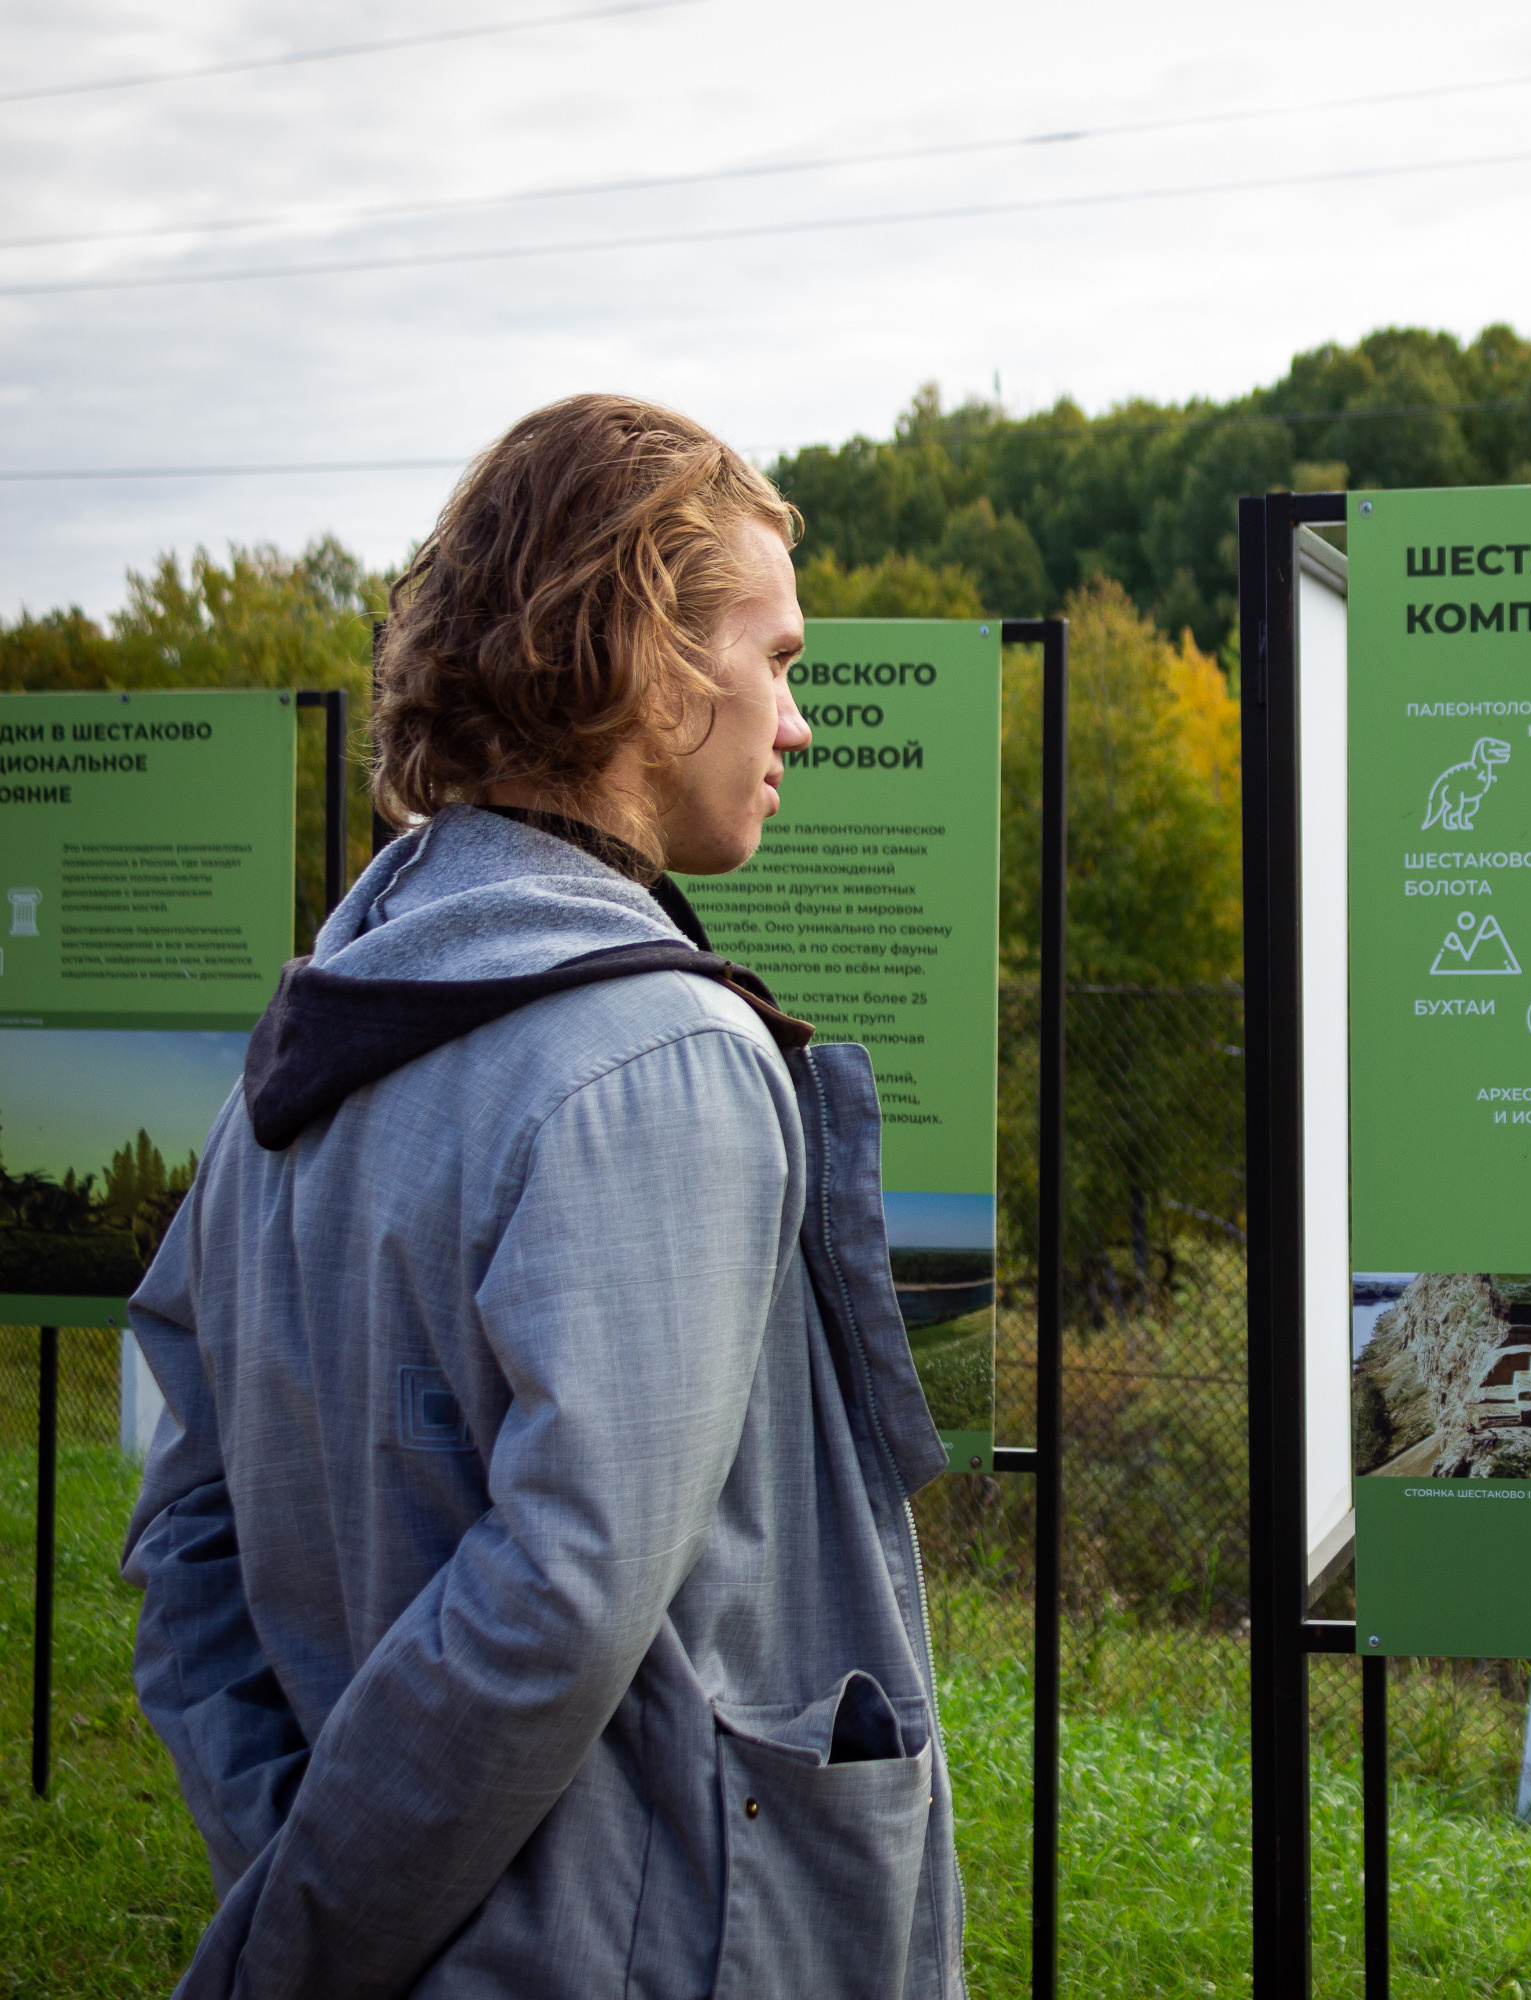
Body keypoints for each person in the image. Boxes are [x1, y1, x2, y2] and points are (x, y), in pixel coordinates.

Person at [121, 393, 963, 1999]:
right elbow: (558, 1608)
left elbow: (184, 1529)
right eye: (775, 661)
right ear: (650, 664)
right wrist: (300, 1952)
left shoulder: (324, 1028)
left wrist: (295, 1863)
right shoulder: (658, 1058)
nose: (797, 726)